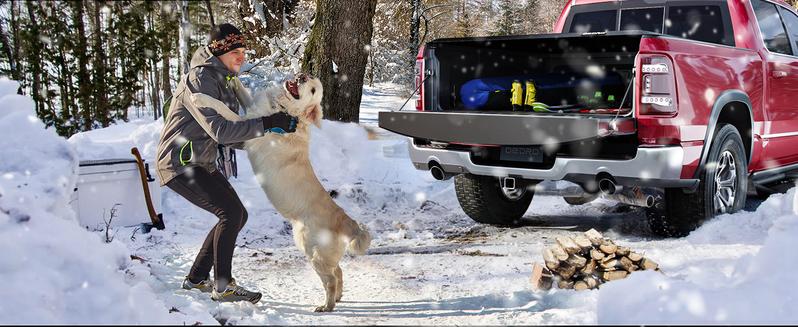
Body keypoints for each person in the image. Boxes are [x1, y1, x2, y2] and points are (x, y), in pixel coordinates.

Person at [155, 23, 297, 304]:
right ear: (220, 51)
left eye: (244, 50)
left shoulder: (226, 80)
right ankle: (223, 285)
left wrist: (269, 136)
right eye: (236, 51)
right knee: (229, 213)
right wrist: (267, 124)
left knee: (236, 215)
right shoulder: (201, 79)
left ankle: (196, 279)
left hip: (201, 161)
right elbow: (220, 130)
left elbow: (231, 134)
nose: (242, 57)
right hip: (179, 162)